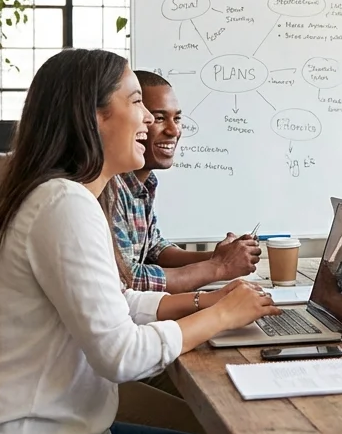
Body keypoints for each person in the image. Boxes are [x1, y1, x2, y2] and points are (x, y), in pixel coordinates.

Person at [0, 49, 280, 434]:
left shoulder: (61, 196)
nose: (150, 119)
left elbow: (118, 301)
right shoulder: (63, 204)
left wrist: (204, 300)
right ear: (94, 118)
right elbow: (121, 356)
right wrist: (219, 315)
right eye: (136, 103)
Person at [109, 70, 260, 294]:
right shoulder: (107, 189)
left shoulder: (144, 183)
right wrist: (219, 267)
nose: (174, 130)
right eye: (159, 118)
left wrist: (221, 256)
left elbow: (156, 250)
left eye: (177, 119)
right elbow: (128, 278)